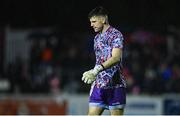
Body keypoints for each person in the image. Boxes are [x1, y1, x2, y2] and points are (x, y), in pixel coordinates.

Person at [82, 6, 126, 115]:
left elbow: (116, 58)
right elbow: (99, 60)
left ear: (103, 19)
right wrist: (93, 72)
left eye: (94, 21)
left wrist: (97, 69)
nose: (91, 24)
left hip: (115, 85)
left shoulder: (116, 35)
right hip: (99, 86)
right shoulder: (96, 38)